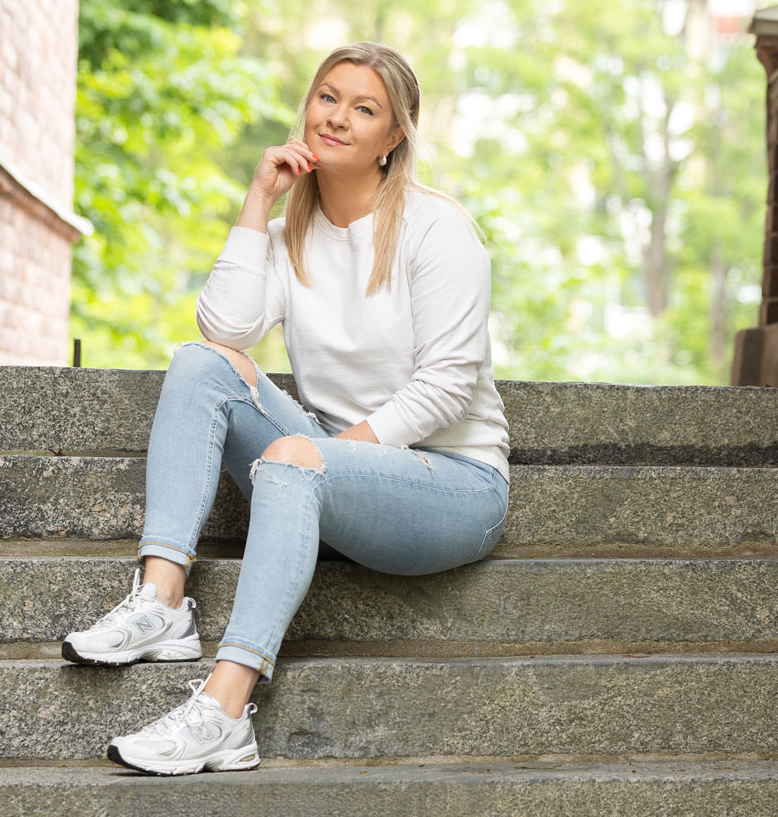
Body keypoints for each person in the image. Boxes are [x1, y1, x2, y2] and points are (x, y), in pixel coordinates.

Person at [63, 41, 511, 776]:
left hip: (453, 486)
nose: (336, 117)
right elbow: (226, 329)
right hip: (324, 472)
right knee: (201, 363)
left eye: (364, 108)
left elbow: (449, 384)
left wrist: (327, 456)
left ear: (393, 137)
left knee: (297, 459)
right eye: (327, 97)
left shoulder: (437, 228)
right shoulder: (289, 234)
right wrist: (259, 200)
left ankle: (224, 712)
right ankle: (162, 599)